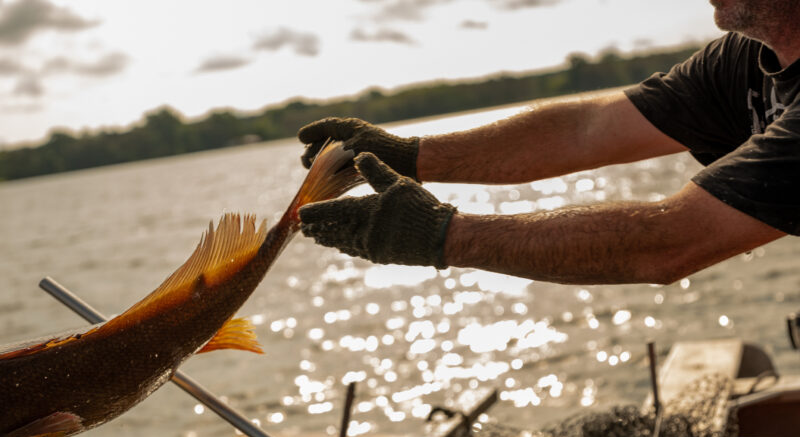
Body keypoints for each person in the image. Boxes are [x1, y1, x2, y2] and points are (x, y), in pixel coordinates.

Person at [297, 0, 799, 286]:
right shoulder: (741, 60)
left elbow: (671, 242)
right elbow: (587, 130)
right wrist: (409, 155)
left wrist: (440, 235)